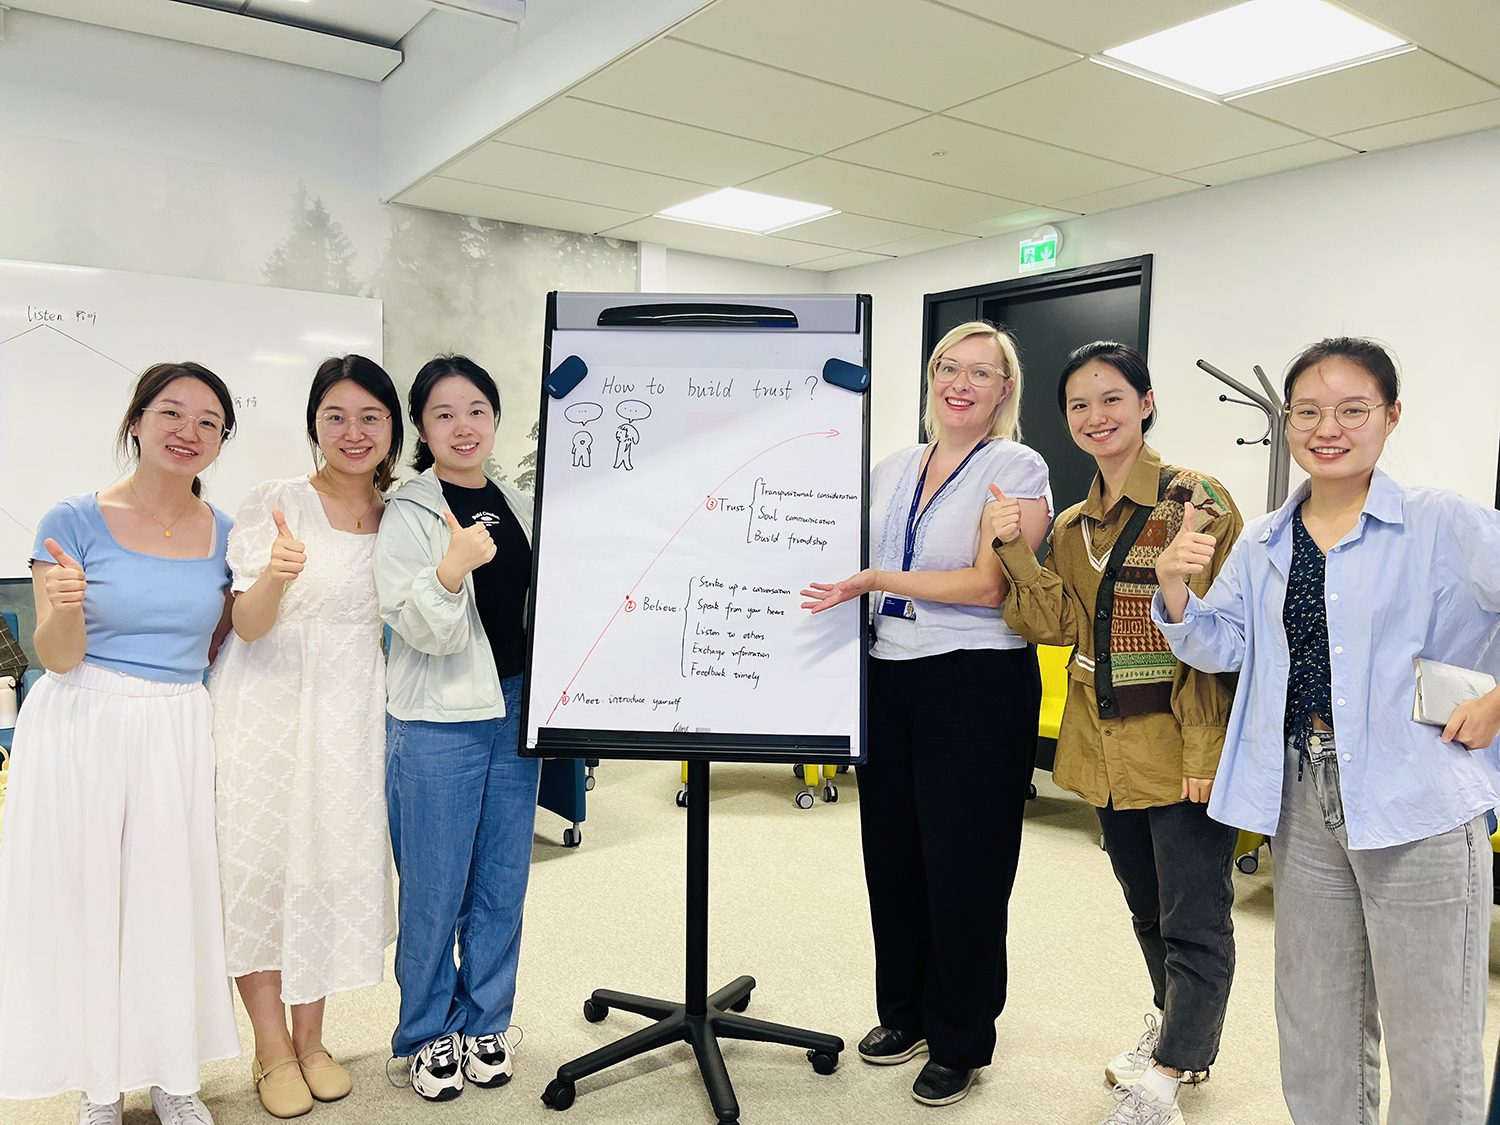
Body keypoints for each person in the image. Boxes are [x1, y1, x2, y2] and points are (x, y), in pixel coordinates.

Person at [1153, 337, 1499, 1125]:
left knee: (1433, 1041)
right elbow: (1223, 644)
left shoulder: (1437, 521)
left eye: (1352, 409)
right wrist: (1174, 587)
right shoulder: (1267, 538)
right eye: (1306, 410)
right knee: (1316, 1028)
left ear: (1391, 416)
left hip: (1420, 799)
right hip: (1301, 798)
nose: (1327, 426)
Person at [986, 342, 1242, 1125]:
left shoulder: (1196, 502)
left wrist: (1206, 753)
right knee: (1145, 906)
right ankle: (1178, 1035)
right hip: (1103, 743)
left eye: (1112, 399)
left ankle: (1166, 1075)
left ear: (1146, 402)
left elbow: (1221, 639)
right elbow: (1054, 623)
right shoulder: (1071, 523)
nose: (1096, 417)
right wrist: (1009, 548)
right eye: (1078, 405)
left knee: (1194, 914)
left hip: (1178, 736)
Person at [802, 321, 1051, 1107]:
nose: (961, 383)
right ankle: (903, 1012)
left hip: (974, 684)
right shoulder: (894, 465)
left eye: (982, 372)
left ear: (1004, 390)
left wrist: (880, 576)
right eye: (949, 367)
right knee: (895, 857)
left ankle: (961, 1037)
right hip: (890, 676)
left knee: (965, 866)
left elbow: (989, 587)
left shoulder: (1016, 465)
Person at [0, 362, 240, 1125]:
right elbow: (59, 654)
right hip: (85, 721)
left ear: (221, 441)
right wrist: (65, 603)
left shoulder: (228, 533)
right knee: (91, 901)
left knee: (172, 902)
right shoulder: (69, 520)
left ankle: (173, 1072)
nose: (188, 431)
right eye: (171, 412)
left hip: (176, 724)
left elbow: (222, 644)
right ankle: (100, 1085)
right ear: (135, 421)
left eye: (209, 421)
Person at [208, 355, 404, 1118]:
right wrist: (277, 575)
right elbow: (248, 627)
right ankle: (270, 1047)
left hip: (350, 709)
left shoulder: (405, 511)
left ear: (392, 426)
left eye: (370, 417)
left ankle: (313, 1037)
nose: (353, 433)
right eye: (335, 417)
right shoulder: (277, 502)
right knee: (259, 864)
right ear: (314, 425)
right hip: (267, 704)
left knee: (325, 863)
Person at [373, 355, 539, 1103]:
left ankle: (486, 1019)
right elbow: (420, 629)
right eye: (443, 413)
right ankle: (424, 1029)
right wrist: (451, 567)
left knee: (502, 879)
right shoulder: (409, 510)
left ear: (494, 419)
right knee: (435, 886)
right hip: (438, 716)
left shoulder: (517, 500)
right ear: (421, 427)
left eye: (477, 409)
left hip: (515, 708)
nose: (463, 426)